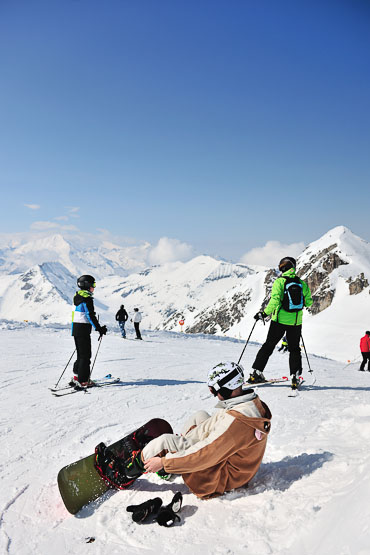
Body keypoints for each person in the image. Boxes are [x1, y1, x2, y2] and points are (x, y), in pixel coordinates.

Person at [123, 361, 272, 499]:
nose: (214, 395)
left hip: (220, 479)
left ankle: (126, 472)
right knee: (199, 416)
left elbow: (205, 454)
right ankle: (175, 459)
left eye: (214, 391)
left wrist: (165, 462)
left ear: (227, 389)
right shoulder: (248, 402)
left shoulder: (237, 421)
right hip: (237, 468)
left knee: (164, 441)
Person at [248, 256, 313, 388]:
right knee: (294, 349)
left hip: (278, 321)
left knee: (268, 346)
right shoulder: (301, 283)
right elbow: (309, 302)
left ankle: (256, 374)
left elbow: (275, 301)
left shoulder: (279, 282)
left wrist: (264, 313)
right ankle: (295, 377)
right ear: (293, 267)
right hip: (295, 322)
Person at [71, 275, 107, 386]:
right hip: (83, 329)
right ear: (86, 285)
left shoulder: (78, 297)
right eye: (93, 285)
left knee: (81, 355)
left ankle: (77, 376)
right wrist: (99, 328)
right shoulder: (87, 299)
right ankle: (83, 381)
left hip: (76, 329)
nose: (93, 288)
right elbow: (90, 315)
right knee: (86, 356)